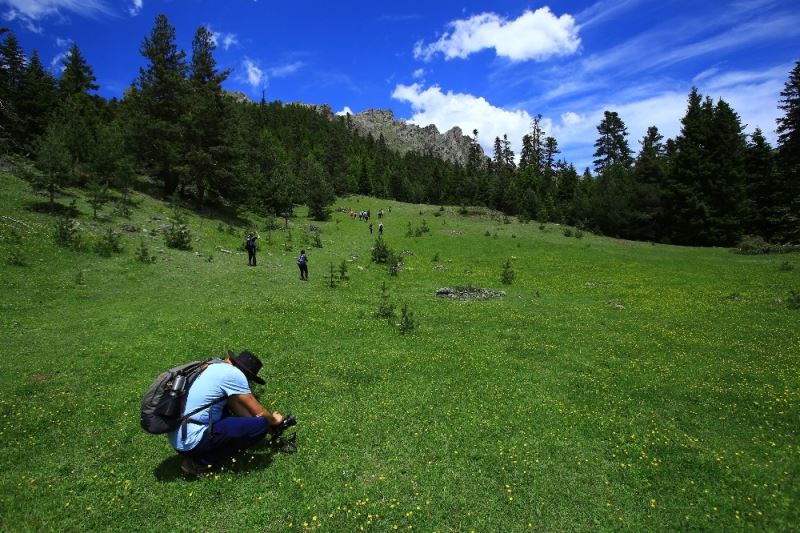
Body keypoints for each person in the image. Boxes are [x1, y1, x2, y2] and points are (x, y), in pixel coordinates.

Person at [169, 350, 285, 476]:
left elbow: (240, 411)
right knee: (261, 424)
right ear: (244, 372)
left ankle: (201, 453)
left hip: (180, 439)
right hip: (192, 440)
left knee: (256, 423)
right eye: (249, 377)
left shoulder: (212, 368)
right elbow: (257, 410)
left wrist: (266, 428)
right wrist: (274, 420)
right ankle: (199, 463)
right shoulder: (234, 374)